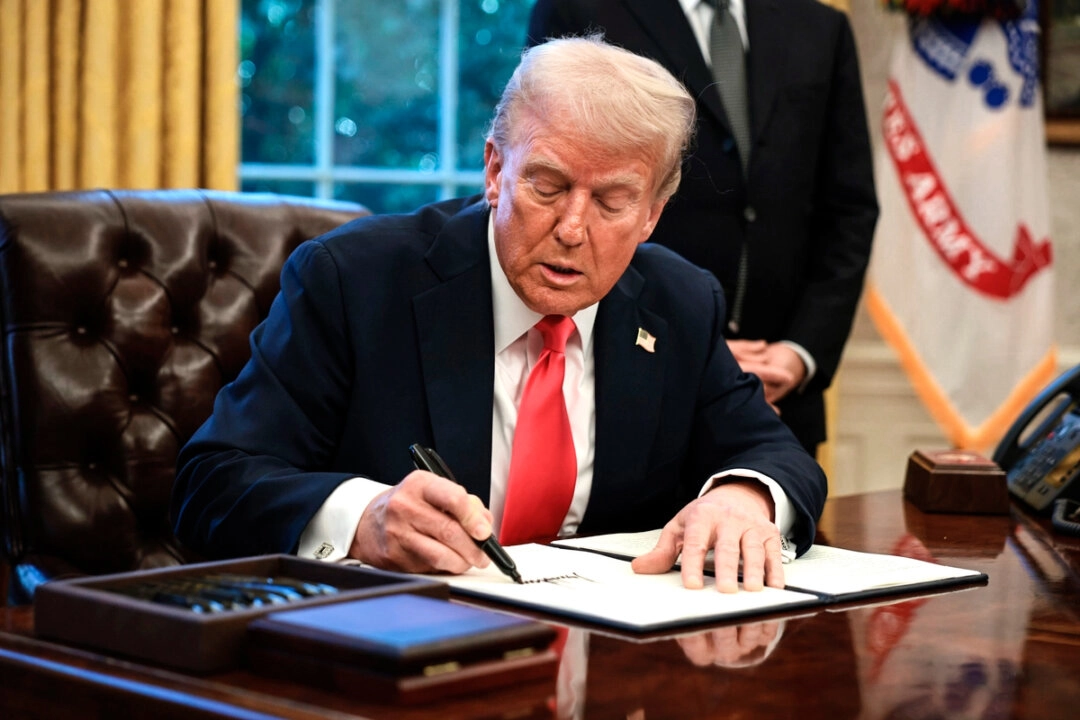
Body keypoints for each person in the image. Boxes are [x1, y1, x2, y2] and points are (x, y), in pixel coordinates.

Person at [171, 35, 827, 593]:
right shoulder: (354, 282)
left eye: (612, 202)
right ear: (494, 171)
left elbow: (769, 449)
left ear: (652, 214)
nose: (572, 229)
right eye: (547, 186)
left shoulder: (680, 302)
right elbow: (214, 482)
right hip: (401, 655)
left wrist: (745, 495)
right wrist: (362, 518)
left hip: (608, 668)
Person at [527, 0, 879, 456]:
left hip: (780, 395)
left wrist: (799, 352)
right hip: (637, 381)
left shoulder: (821, 26)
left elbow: (849, 210)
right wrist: (699, 353)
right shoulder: (580, 11)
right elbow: (564, 175)